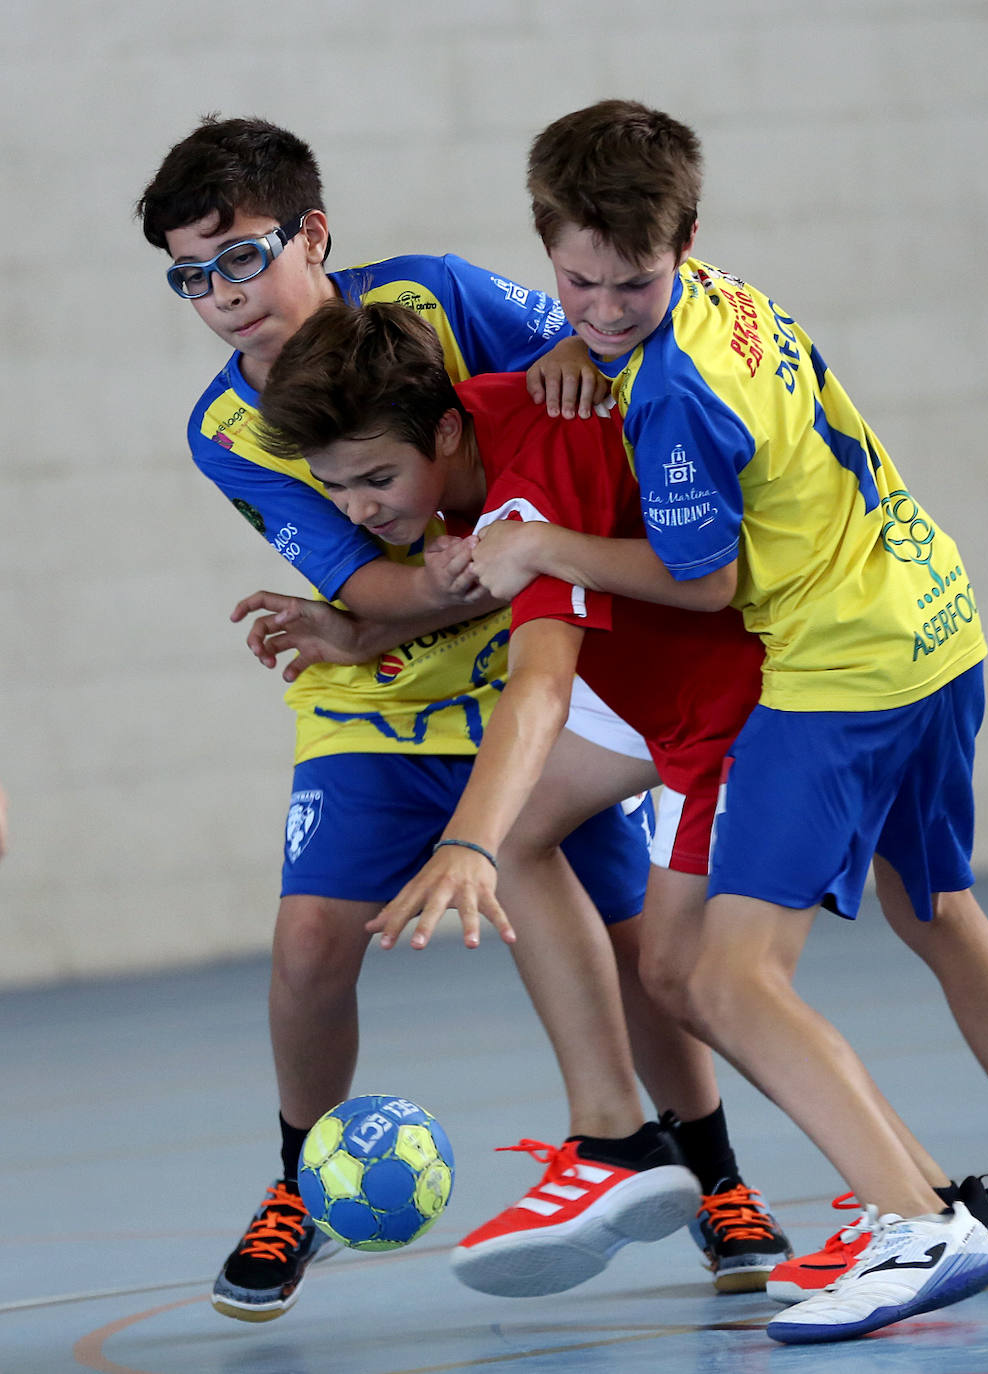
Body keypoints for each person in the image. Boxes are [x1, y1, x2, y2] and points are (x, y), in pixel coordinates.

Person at [402, 99, 988, 1342]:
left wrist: (539, 546)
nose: (607, 309)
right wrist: (575, 355)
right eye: (580, 285)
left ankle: (916, 1225)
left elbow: (709, 581)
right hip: (936, 616)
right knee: (936, 908)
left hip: (838, 671)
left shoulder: (678, 393)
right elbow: (619, 347)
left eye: (632, 285)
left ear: (681, 236)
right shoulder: (715, 299)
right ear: (550, 248)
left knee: (718, 974)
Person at [251, 297, 988, 1342]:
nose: (355, 509)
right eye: (333, 487)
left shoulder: (523, 477)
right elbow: (507, 540)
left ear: (441, 433)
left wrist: (463, 845)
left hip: (733, 716)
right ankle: (630, 1136)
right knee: (578, 871)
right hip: (659, 700)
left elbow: (535, 687)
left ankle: (917, 1219)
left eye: (376, 480)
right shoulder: (489, 416)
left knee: (706, 977)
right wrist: (376, 618)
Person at [136, 115, 786, 1320]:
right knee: (308, 952)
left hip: (536, 677)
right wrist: (384, 613)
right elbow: (372, 579)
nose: (219, 296)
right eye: (189, 276)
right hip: (373, 718)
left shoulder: (436, 300)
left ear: (313, 234)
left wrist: (571, 376)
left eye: (239, 257)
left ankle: (712, 1177)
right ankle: (301, 1187)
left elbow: (584, 363)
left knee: (644, 956)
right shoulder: (225, 431)